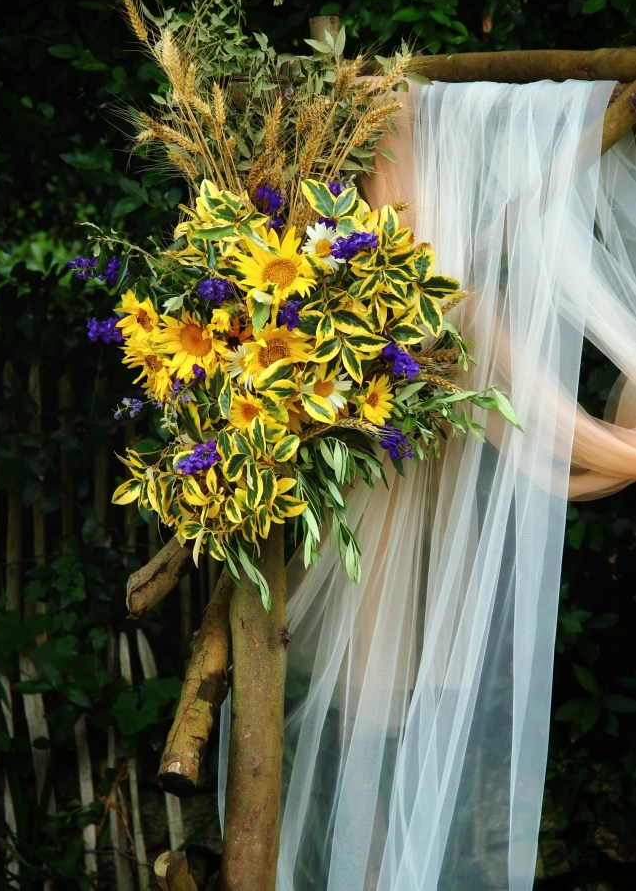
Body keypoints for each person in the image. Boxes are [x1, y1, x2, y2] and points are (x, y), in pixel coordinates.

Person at [219, 78, 636, 890]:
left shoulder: (419, 283)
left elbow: (471, 345)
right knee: (369, 698)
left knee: (384, 692)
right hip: (380, 436)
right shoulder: (396, 265)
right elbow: (462, 331)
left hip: (399, 425)